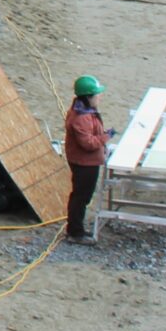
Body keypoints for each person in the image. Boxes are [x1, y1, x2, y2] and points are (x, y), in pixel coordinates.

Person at [63, 76, 108, 243]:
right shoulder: (81, 118)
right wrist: (106, 137)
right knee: (81, 197)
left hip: (85, 161)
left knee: (81, 196)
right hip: (84, 163)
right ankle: (75, 233)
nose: (100, 97)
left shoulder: (85, 112)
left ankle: (76, 230)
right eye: (97, 94)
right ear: (88, 97)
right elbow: (88, 144)